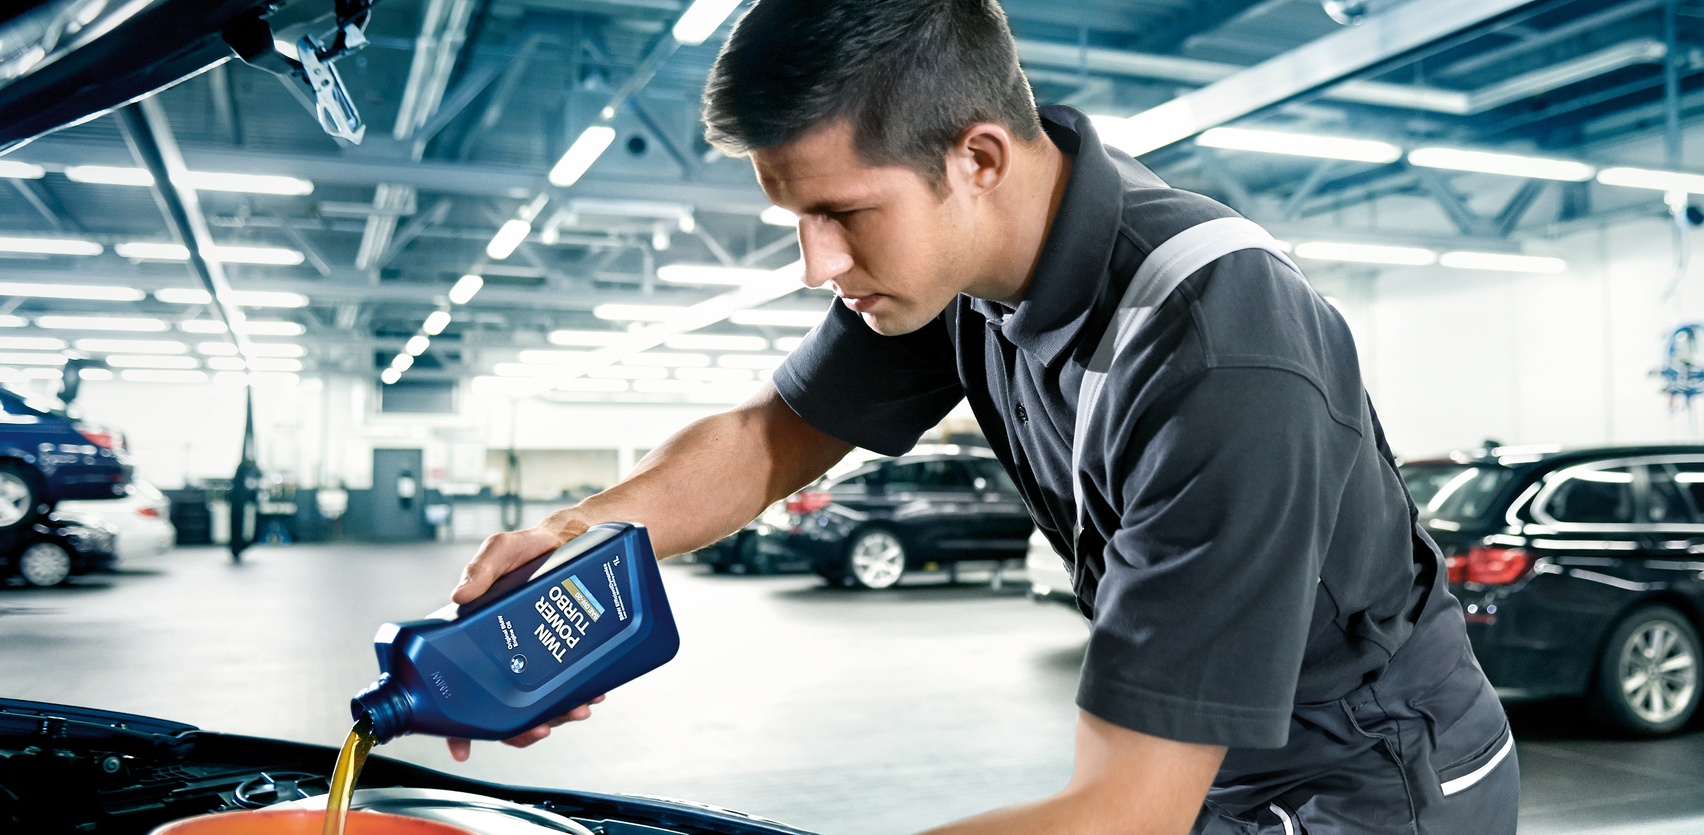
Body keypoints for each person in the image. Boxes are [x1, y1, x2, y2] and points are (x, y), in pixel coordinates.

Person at [448, 1, 1520, 832]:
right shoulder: (956, 264)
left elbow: (1122, 809)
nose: (817, 263)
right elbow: (770, 433)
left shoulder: (1222, 355)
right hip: (1216, 766)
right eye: (795, 216)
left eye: (843, 214)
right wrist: (575, 538)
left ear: (978, 158)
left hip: (1373, 782)